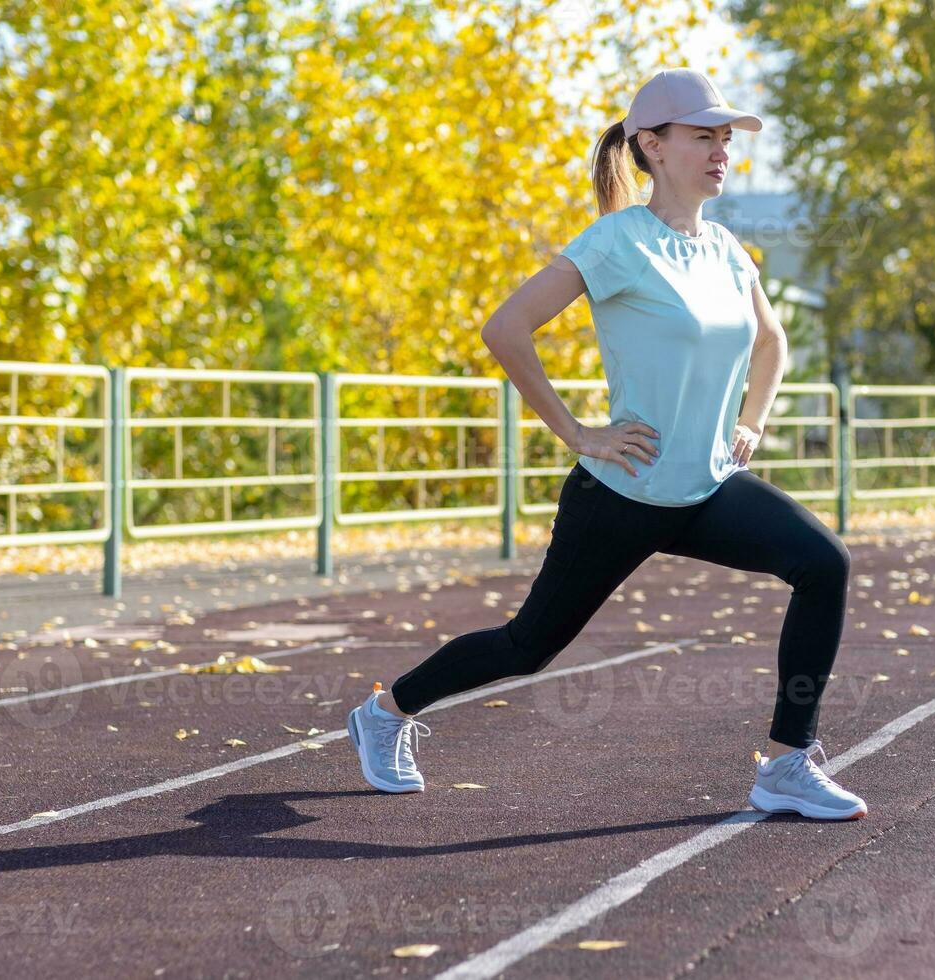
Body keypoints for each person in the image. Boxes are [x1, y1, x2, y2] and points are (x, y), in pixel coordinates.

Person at [348, 68, 866, 820]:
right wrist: (579, 432)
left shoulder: (724, 248)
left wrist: (752, 421)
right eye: (703, 136)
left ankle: (787, 765)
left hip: (707, 488)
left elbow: (771, 341)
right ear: (651, 147)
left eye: (726, 137)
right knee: (527, 647)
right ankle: (386, 712)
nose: (721, 150)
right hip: (620, 493)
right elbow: (505, 329)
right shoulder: (619, 241)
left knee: (824, 564)